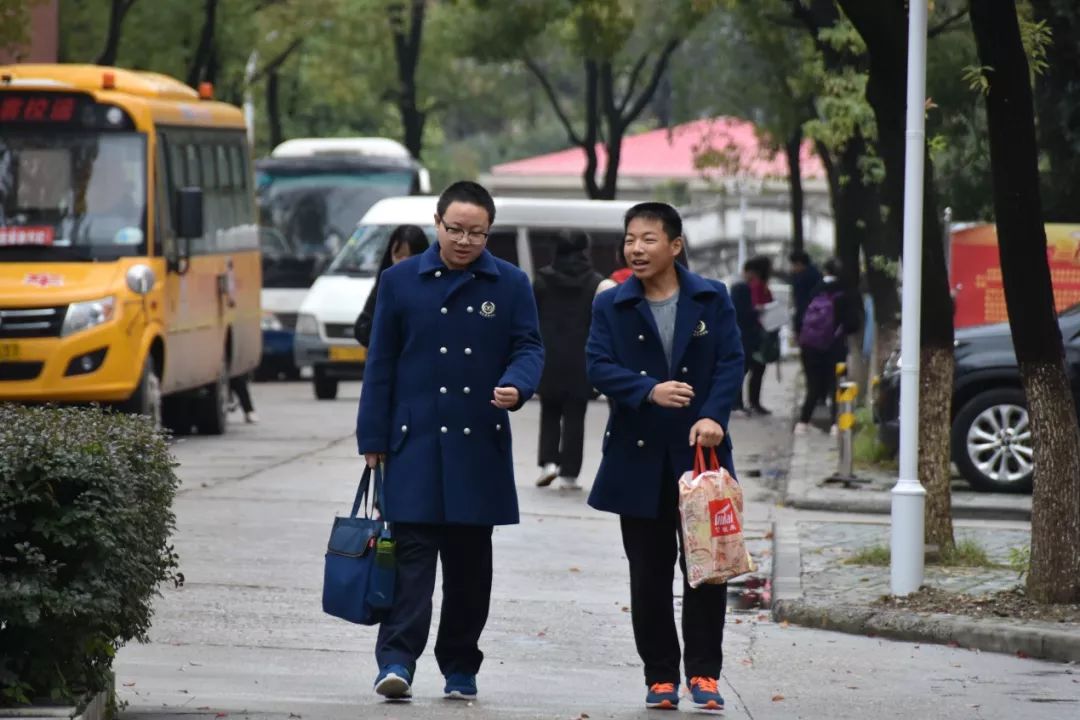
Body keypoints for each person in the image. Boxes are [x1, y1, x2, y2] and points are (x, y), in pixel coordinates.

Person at [355, 181, 544, 703]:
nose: (464, 241)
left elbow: (529, 346)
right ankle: (396, 660)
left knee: (469, 567)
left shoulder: (510, 284)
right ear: (437, 223)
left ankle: (460, 664)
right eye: (455, 229)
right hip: (413, 442)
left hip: (476, 444)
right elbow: (381, 363)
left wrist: (518, 384)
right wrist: (373, 436)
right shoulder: (399, 281)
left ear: (489, 231)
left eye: (476, 233)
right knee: (409, 560)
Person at [586, 202, 743, 712]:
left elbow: (730, 361)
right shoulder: (612, 304)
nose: (636, 248)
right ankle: (660, 676)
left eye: (649, 239)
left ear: (675, 245)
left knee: (707, 568)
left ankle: (704, 673)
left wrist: (715, 415)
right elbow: (597, 365)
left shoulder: (711, 297)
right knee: (648, 573)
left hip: (702, 456)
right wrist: (647, 390)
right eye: (630, 238)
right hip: (638, 459)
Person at [534, 230, 603, 490]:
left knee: (549, 411)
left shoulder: (541, 280)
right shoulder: (595, 282)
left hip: (548, 356)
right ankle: (569, 474)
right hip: (582, 358)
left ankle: (548, 463)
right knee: (576, 416)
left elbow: (532, 318)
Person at [794, 258, 860, 435]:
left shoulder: (814, 290)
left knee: (813, 385)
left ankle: (803, 423)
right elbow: (853, 323)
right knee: (835, 385)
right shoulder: (845, 292)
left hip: (810, 346)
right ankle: (835, 425)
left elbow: (800, 317)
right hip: (834, 346)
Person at [353, 224, 430, 347]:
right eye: (398, 256)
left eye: (410, 256)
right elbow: (362, 328)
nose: (403, 262)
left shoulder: (434, 287)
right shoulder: (384, 286)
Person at [730, 257, 772, 415]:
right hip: (744, 335)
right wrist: (758, 311)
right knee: (742, 370)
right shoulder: (741, 288)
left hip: (753, 335)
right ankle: (737, 404)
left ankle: (751, 402)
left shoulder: (748, 287)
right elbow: (741, 312)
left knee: (756, 368)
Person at [789, 250, 823, 337]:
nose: (793, 268)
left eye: (794, 265)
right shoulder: (816, 274)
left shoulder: (802, 278)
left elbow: (800, 301)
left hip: (806, 315)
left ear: (799, 263)